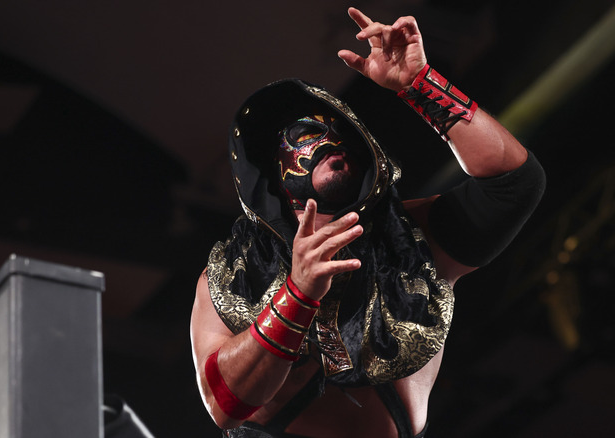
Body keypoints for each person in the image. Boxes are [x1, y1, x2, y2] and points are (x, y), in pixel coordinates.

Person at [190, 7, 545, 438]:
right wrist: (297, 294)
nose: (325, 140)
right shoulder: (233, 273)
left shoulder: (416, 238)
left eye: (333, 130)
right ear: (281, 187)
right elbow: (224, 404)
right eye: (302, 138)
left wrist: (421, 85)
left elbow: (514, 185)